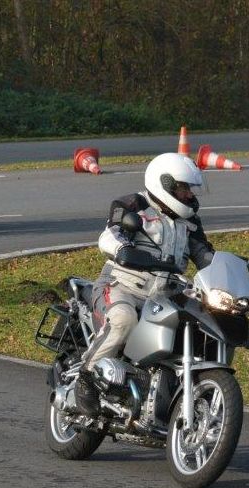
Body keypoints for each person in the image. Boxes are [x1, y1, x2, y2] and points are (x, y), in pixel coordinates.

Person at [75, 152, 216, 416]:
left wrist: (230, 272)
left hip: (165, 296)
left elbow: (205, 255)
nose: (188, 194)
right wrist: (122, 250)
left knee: (202, 326)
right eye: (183, 187)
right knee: (123, 320)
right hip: (121, 285)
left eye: (190, 188)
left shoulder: (190, 221)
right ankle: (86, 378)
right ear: (164, 184)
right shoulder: (132, 204)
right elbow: (110, 234)